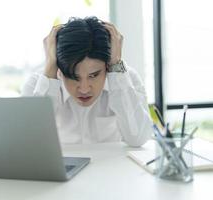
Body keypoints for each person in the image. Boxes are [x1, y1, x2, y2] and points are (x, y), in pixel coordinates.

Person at [21, 16, 153, 147]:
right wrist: (50, 67)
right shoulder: (37, 84)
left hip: (110, 167)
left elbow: (138, 139)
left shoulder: (126, 79)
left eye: (94, 75)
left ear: (107, 67)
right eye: (74, 77)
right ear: (60, 71)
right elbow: (28, 142)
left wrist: (116, 66)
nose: (84, 89)